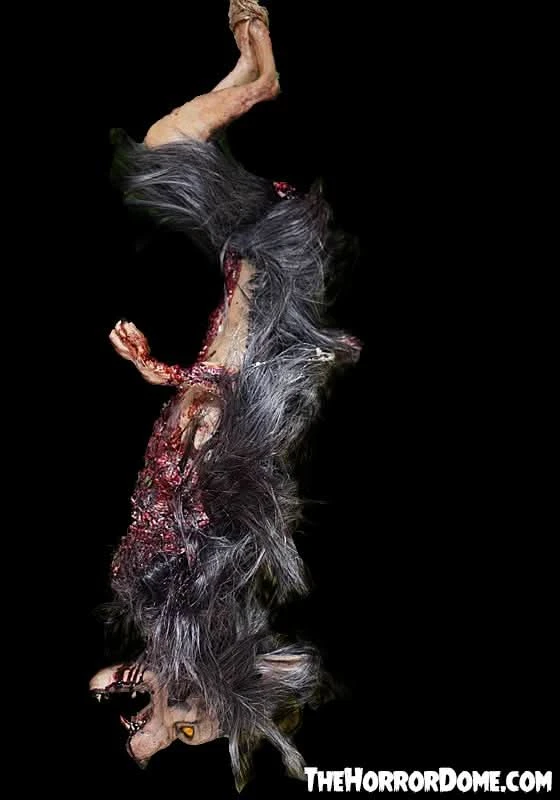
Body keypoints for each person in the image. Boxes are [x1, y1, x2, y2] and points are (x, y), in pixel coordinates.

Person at [90, 1, 361, 791]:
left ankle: (252, 72)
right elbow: (225, 387)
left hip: (258, 250)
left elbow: (105, 680)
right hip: (273, 249)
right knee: (164, 151)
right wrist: (167, 730)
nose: (135, 717)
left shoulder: (164, 584)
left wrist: (161, 372)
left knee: (165, 148)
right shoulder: (206, 525)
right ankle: (259, 77)